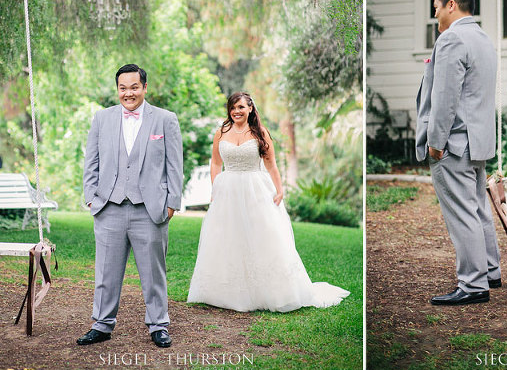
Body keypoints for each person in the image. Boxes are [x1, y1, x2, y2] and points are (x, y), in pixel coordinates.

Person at [187, 92, 349, 312]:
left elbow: (271, 164)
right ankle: (225, 291)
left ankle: (267, 290)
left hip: (255, 188)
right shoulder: (221, 132)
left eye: (241, 107)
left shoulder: (260, 133)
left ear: (250, 109)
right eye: (233, 107)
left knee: (260, 235)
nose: (237, 111)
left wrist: (279, 190)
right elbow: (215, 164)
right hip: (228, 191)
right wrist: (216, 187)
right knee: (227, 237)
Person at [78, 64, 183, 348]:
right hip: (109, 206)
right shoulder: (102, 118)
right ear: (118, 89)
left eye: (134, 87)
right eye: (123, 88)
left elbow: (174, 165)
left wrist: (171, 203)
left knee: (153, 273)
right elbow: (91, 162)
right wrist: (91, 196)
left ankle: (158, 325)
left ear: (145, 87)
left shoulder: (165, 119)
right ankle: (101, 324)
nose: (128, 93)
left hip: (150, 209)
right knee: (105, 272)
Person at [415, 0, 501, 306]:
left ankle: (473, 284)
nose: (434, 13)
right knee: (478, 209)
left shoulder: (451, 38)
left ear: (451, 5)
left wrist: (435, 143)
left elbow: (445, 96)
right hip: (477, 141)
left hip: (453, 143)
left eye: (436, 6)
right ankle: (490, 271)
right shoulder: (482, 38)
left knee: (462, 213)